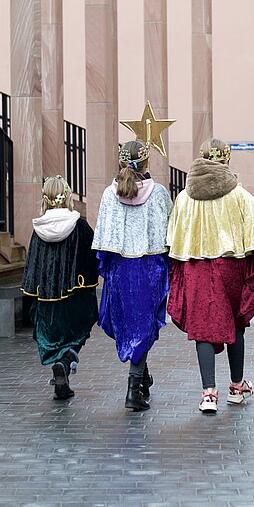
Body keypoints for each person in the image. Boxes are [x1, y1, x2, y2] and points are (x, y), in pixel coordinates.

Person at [167, 138, 254, 414]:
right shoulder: (239, 195)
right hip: (230, 268)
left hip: (196, 269)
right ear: (227, 160)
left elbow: (173, 238)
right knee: (235, 321)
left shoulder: (184, 197)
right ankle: (237, 387)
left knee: (203, 327)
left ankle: (208, 394)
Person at [92, 140, 173, 411]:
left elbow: (102, 237)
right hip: (147, 268)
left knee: (131, 327)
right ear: (147, 162)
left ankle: (142, 378)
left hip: (119, 270)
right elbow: (169, 232)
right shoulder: (159, 193)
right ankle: (134, 389)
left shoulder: (108, 194)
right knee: (144, 327)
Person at [21, 176, 99, 400]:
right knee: (77, 333)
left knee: (51, 338)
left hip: (46, 297)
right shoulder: (80, 226)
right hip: (76, 295)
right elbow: (92, 257)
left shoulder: (39, 229)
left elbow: (33, 265)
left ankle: (60, 366)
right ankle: (65, 363)